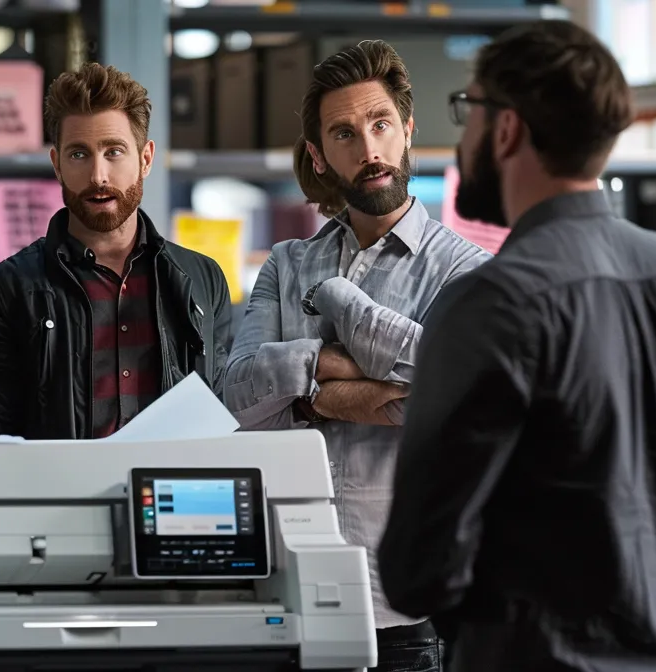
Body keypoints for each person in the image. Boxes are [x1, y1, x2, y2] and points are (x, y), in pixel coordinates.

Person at [376, 20, 656, 671]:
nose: (462, 137)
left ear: (507, 128)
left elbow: (418, 569)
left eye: (467, 111)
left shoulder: (489, 304)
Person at [218, 40, 489, 672]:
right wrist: (326, 364)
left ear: (407, 129)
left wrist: (310, 374)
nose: (369, 149)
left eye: (381, 124)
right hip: (285, 593)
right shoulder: (286, 264)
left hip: (405, 612)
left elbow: (454, 402)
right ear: (319, 155)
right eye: (344, 134)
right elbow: (235, 397)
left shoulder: (467, 271)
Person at [0, 63, 233, 440]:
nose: (98, 176)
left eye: (114, 152)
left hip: (167, 480)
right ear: (57, 164)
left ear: (146, 159)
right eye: (78, 155)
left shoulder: (202, 279)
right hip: (56, 481)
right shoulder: (6, 290)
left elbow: (218, 411)